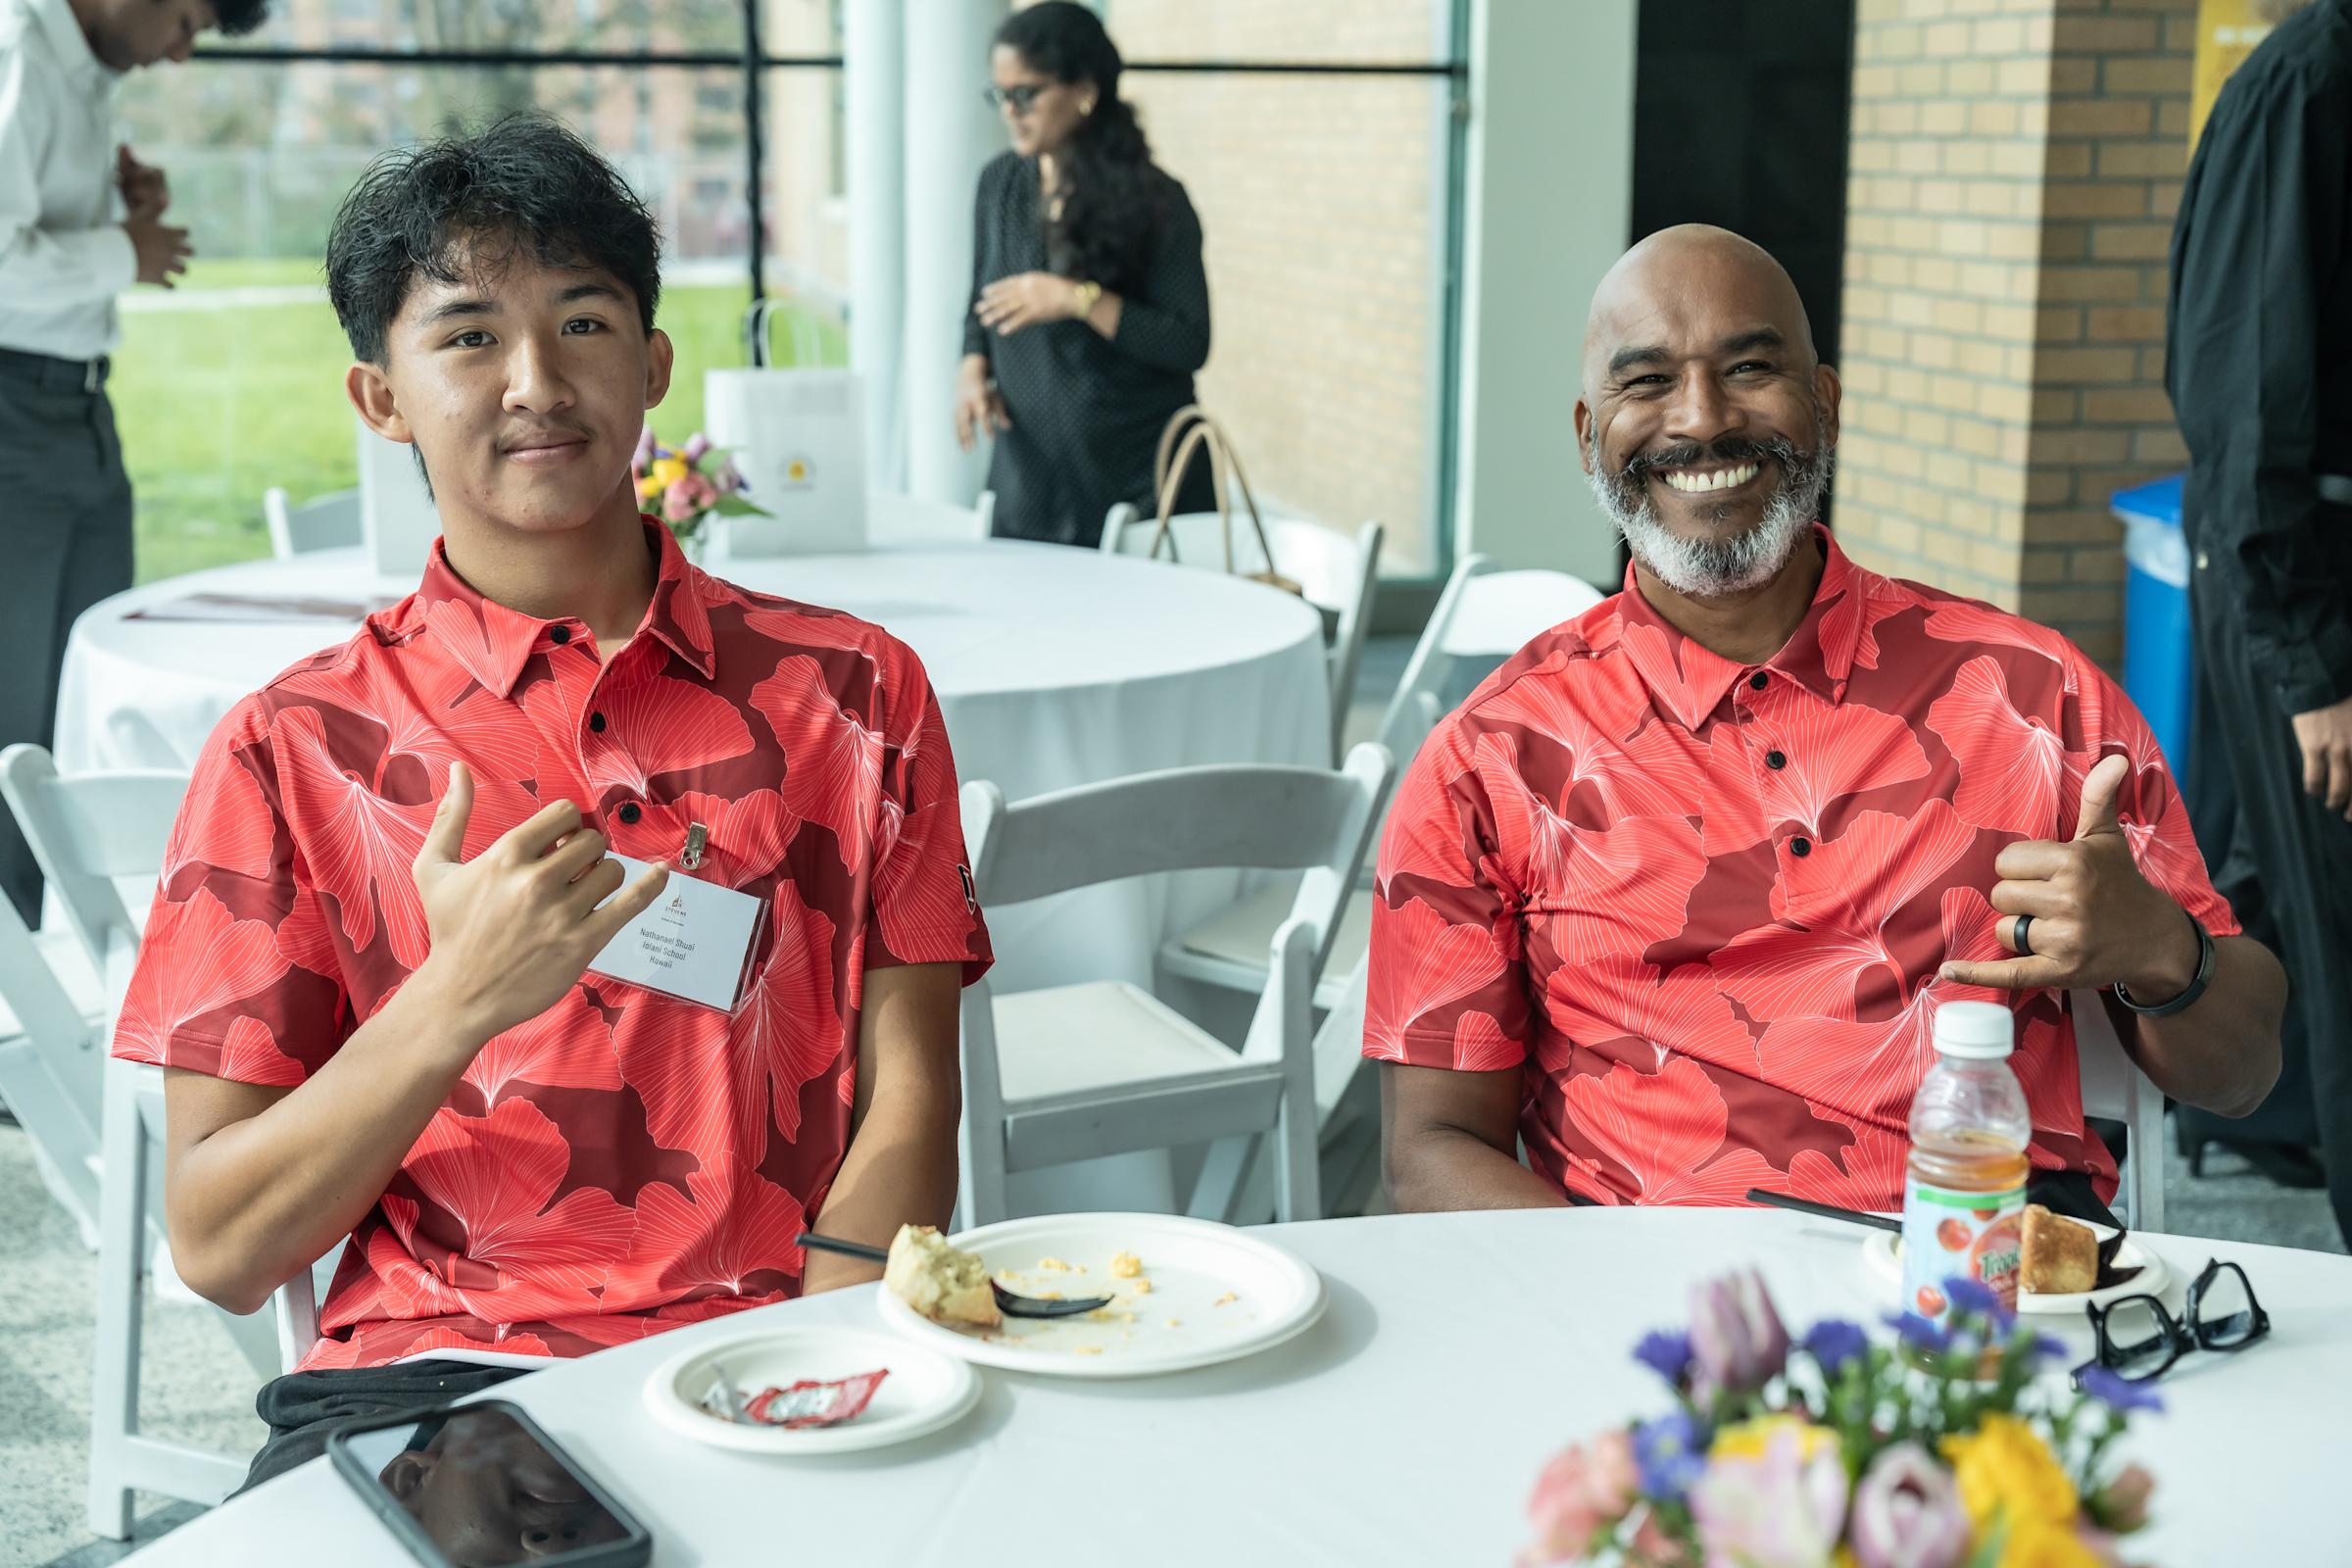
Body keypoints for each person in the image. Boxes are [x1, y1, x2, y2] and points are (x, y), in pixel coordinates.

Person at [109, 116, 991, 1489]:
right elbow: (222, 1247)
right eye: (466, 336)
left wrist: (825, 1355)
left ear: (650, 366)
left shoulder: (855, 693)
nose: (535, 382)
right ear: (380, 397)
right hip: (438, 1379)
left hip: (783, 1345)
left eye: (581, 322)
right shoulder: (295, 749)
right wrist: (459, 993)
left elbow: (911, 1099)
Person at [1369, 225, 2285, 1218]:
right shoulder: (1492, 757)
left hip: (1977, 1297)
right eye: (1648, 382)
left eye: (1750, 366)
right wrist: (1626, 1327)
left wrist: (2160, 948)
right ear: (1590, 437)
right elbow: (1429, 1148)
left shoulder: (2036, 695)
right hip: (1657, 1319)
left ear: (1827, 406)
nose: (1703, 418)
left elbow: (2242, 1075)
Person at [0, 0, 270, 926]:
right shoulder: (17, 49)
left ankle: (55, 966)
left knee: (67, 697)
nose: (180, 52)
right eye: (187, 21)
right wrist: (125, 249)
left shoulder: (81, 72)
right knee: (11, 721)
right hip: (13, 409)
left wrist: (121, 212)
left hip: (72, 407)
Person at [2167, 0, 2352, 1241]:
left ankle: (2261, 1132)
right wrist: (2312, 672)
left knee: (2277, 912)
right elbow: (2246, 401)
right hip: (2318, 605)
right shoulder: (2312, 79)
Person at [955, 0, 1214, 548]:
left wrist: (1076, 298)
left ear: (1084, 91)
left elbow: (1188, 342)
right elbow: (980, 296)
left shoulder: (1156, 201)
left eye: (1025, 94)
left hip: (1139, 483)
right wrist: (973, 367)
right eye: (1001, 95)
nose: (1009, 111)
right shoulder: (1000, 183)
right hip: (1031, 479)